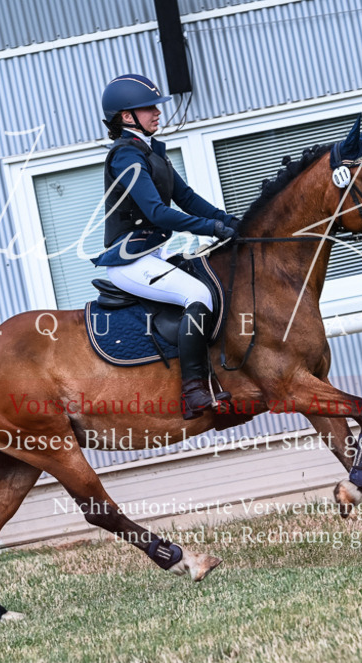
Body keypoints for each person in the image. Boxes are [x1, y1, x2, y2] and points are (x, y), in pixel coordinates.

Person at [93, 74, 237, 419]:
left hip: (152, 255)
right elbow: (157, 212)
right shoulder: (125, 157)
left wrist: (229, 220)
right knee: (197, 296)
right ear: (127, 117)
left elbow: (185, 198)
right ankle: (194, 392)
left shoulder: (151, 151)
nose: (158, 113)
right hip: (131, 263)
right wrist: (213, 228)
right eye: (149, 108)